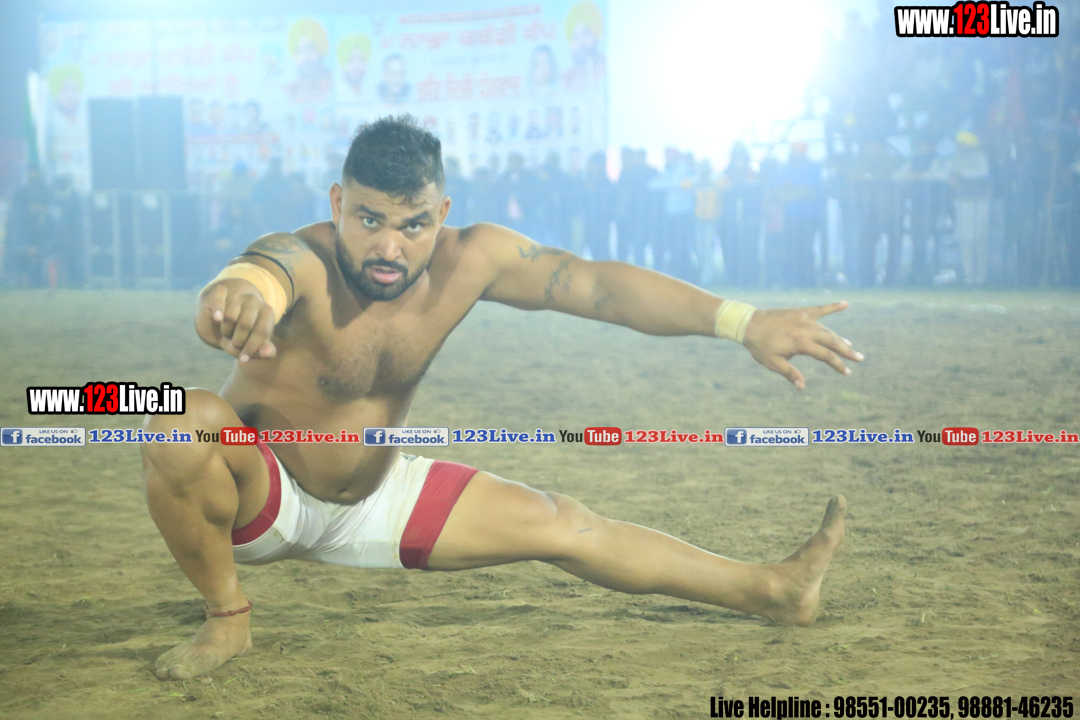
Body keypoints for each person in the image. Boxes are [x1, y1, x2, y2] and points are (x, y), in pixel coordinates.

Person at [142, 115, 861, 682]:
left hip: (375, 495)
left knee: (563, 523)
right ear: (337, 204)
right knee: (180, 417)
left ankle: (775, 591)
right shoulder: (303, 257)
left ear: (442, 213)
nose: (389, 247)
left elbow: (598, 287)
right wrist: (234, 300)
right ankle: (227, 618)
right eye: (368, 220)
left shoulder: (472, 258)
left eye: (413, 225)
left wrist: (743, 323)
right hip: (264, 496)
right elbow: (253, 277)